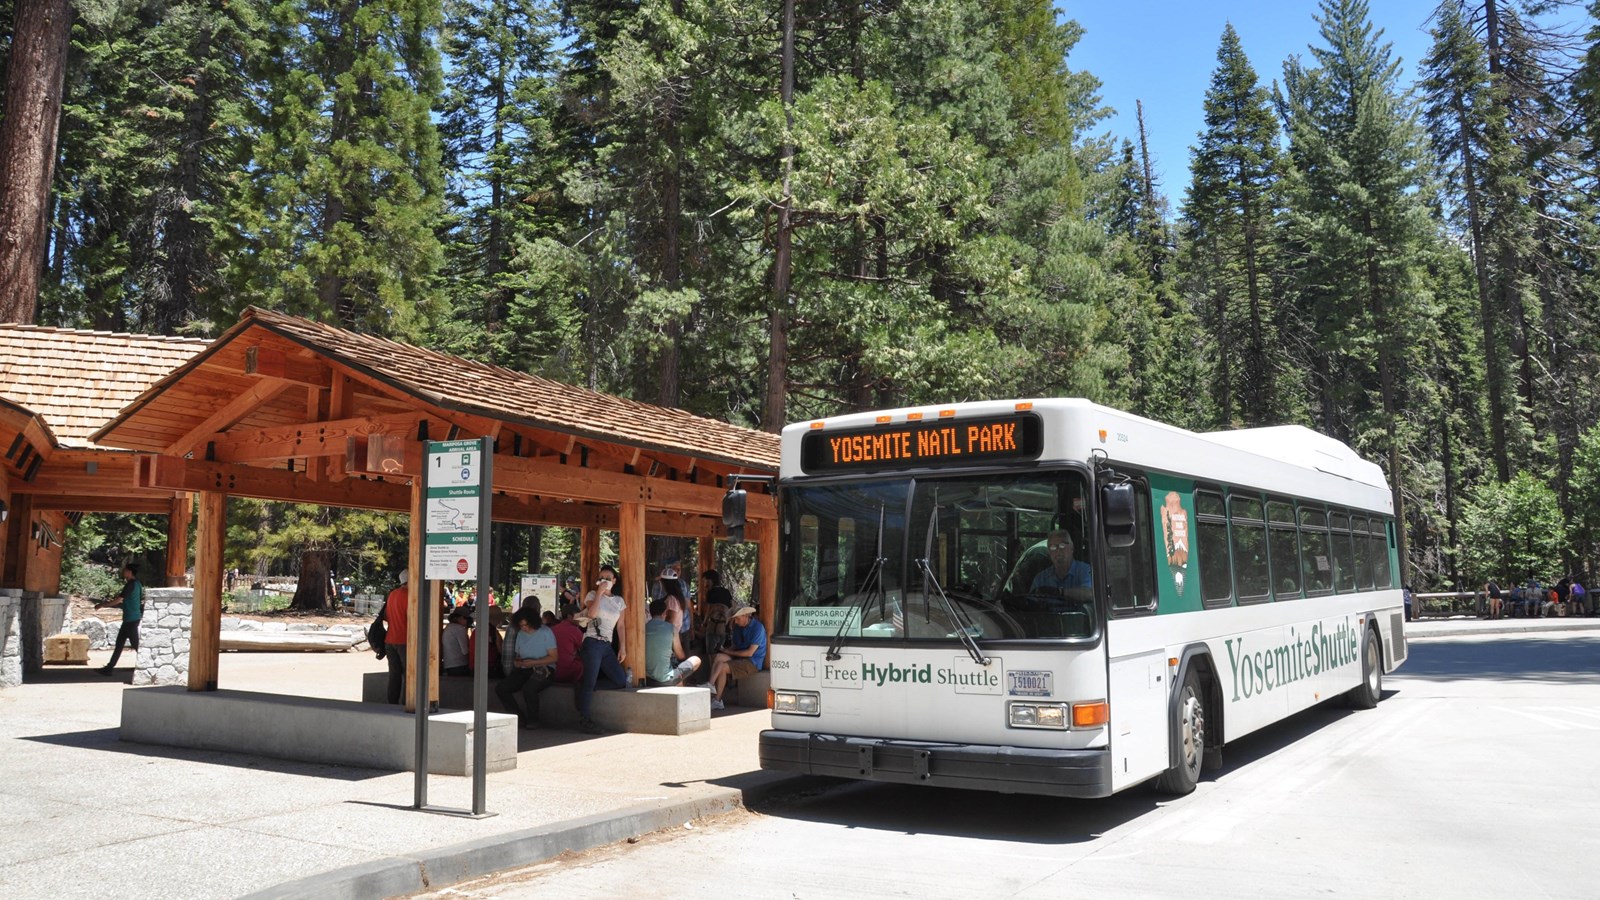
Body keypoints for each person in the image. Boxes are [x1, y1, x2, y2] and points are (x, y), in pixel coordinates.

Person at [575, 566, 630, 733]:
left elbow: (620, 626)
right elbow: (591, 614)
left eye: (608, 577)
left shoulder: (619, 601)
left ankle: (585, 689)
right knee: (590, 680)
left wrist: (623, 647)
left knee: (620, 680)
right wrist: (599, 593)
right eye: (602, 577)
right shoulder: (592, 595)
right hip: (592, 641)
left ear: (614, 580)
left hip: (607, 645)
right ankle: (584, 719)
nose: (605, 579)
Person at [496, 611, 558, 729]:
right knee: (501, 688)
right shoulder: (520, 634)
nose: (524, 628)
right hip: (525, 668)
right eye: (521, 626)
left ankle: (533, 720)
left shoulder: (546, 632)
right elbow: (518, 654)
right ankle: (518, 717)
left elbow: (554, 657)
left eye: (526, 625)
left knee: (529, 688)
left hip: (544, 668)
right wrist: (517, 662)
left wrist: (534, 663)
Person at [709, 605, 766, 710]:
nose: (735, 621)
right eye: (734, 619)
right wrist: (725, 651)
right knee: (718, 657)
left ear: (745, 616)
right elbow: (735, 646)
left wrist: (727, 651)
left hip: (753, 662)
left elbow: (750, 653)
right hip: (740, 657)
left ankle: (714, 693)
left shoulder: (758, 628)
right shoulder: (737, 627)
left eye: (737, 618)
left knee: (722, 666)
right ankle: (712, 688)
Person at [96, 563, 144, 675]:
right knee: (120, 643)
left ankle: (148, 665)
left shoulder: (131, 585)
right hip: (132, 617)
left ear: (130, 572)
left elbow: (119, 600)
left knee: (135, 644)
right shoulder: (138, 584)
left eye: (125, 570)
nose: (123, 572)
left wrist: (103, 605)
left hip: (131, 619)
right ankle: (109, 668)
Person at [645, 598, 700, 686]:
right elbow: (680, 655)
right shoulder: (671, 628)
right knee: (696, 660)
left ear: (651, 613)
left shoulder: (645, 627)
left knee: (677, 673)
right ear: (664, 613)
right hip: (665, 678)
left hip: (647, 678)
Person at [1030, 530, 1093, 594]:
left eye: (1062, 545)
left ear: (1072, 547)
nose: (1058, 551)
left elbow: (1090, 593)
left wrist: (1059, 592)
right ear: (1049, 552)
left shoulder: (1086, 571)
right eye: (1053, 547)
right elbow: (1031, 601)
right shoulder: (1041, 579)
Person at [383, 570, 410, 704]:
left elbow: (387, 616)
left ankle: (391, 702)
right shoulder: (410, 596)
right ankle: (407, 702)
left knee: (394, 674)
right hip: (405, 640)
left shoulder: (392, 594)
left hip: (390, 639)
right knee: (409, 674)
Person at [551, 602, 585, 683]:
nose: (581, 618)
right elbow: (585, 648)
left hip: (552, 671)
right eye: (579, 616)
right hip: (567, 671)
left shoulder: (553, 629)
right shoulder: (574, 630)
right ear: (569, 617)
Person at [442, 609, 471, 676]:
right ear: (460, 618)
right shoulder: (459, 629)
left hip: (449, 664)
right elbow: (465, 651)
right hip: (459, 664)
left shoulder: (449, 627)